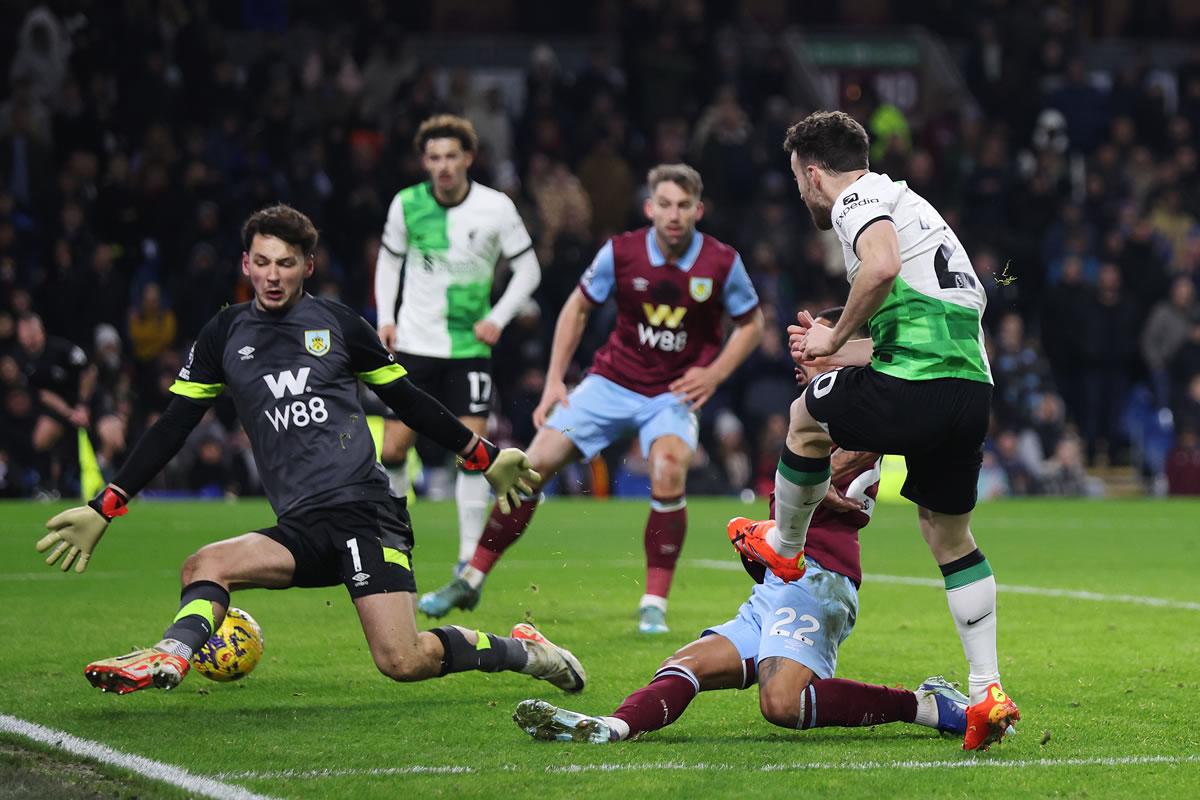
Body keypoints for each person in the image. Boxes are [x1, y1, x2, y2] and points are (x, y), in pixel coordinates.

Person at [35, 204, 584, 697]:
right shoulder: (223, 335)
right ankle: (171, 655)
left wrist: (484, 456)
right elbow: (172, 426)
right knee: (204, 564)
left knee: (402, 660)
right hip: (301, 526)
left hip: (365, 513)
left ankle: (525, 652)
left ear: (308, 267)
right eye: (263, 262)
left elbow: (408, 401)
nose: (273, 275)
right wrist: (104, 504)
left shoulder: (339, 324)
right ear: (246, 264)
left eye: (287, 263)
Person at [514, 308, 971, 744]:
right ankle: (610, 727)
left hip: (820, 577)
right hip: (781, 580)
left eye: (814, 348)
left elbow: (872, 430)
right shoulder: (815, 416)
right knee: (685, 665)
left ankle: (923, 706)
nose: (800, 358)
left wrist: (841, 352)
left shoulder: (859, 415)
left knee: (781, 703)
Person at [728, 111, 1019, 751]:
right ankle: (986, 689)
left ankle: (783, 541)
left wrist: (832, 337)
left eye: (798, 180)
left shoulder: (857, 199)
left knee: (805, 420)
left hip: (917, 386)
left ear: (811, 172)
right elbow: (927, 330)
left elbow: (881, 268)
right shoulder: (917, 208)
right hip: (968, 391)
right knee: (949, 535)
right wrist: (842, 349)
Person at [420, 164, 765, 634]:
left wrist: (715, 372)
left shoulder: (722, 262)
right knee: (530, 467)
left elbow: (752, 323)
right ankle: (472, 577)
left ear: (698, 210)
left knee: (667, 469)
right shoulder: (620, 252)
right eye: (664, 204)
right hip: (609, 382)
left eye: (684, 206)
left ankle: (653, 606)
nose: (674, 214)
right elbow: (577, 307)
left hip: (671, 393)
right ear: (649, 208)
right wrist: (556, 381)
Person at [374, 114, 541, 576]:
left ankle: (468, 553)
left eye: (451, 156)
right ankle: (394, 538)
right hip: (414, 341)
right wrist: (386, 318)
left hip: (469, 346)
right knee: (392, 450)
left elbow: (529, 271)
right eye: (434, 157)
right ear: (424, 162)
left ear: (468, 158)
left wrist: (497, 317)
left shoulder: (496, 207)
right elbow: (388, 265)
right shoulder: (405, 204)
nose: (443, 166)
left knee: (472, 451)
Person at [14, 312, 95, 495]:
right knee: (40, 438)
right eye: (25, 336)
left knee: (110, 432)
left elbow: (88, 371)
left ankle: (116, 482)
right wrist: (70, 413)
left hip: (88, 401)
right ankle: (48, 486)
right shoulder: (22, 359)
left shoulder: (61, 349)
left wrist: (83, 404)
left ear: (42, 331)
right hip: (60, 408)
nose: (30, 340)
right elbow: (42, 394)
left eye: (33, 334)